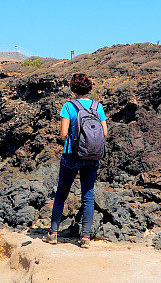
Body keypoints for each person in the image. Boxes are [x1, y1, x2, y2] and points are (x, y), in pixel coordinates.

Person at [43, 73, 108, 248]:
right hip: (93, 156)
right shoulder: (97, 106)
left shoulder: (69, 106)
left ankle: (53, 233)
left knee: (61, 194)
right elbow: (105, 133)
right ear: (90, 88)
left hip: (72, 155)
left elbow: (64, 134)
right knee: (88, 195)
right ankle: (85, 237)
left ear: (73, 88)